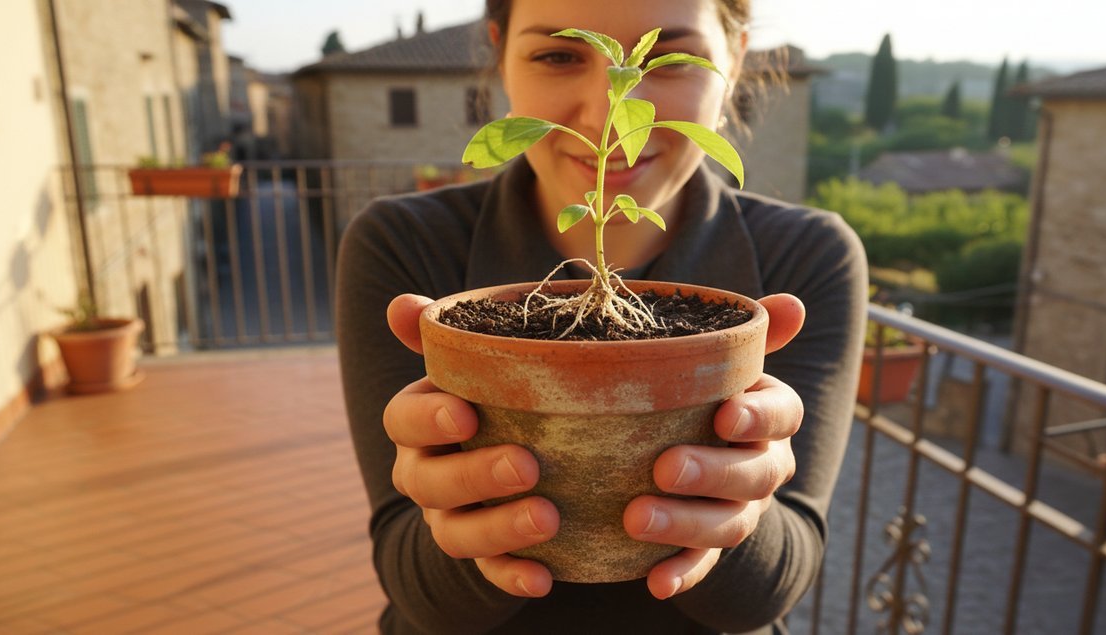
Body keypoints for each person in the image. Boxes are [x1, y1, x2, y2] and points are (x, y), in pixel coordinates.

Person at [335, 0, 868, 632]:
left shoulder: (807, 254)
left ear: (736, 60)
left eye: (673, 58)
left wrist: (739, 514)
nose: (602, 117)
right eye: (557, 56)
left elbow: (775, 583)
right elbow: (414, 584)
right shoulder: (403, 242)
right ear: (501, 56)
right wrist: (465, 523)